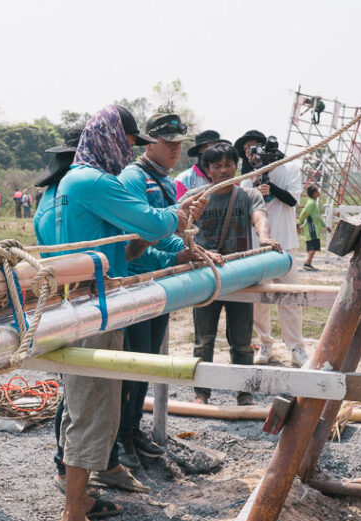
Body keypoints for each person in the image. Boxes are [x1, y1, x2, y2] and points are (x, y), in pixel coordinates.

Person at [45, 104, 205, 521]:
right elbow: (151, 222)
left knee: (86, 407)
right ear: (110, 140)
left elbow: (129, 247)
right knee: (93, 408)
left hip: (83, 303)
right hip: (91, 307)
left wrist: (169, 224)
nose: (128, 153)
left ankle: (81, 498)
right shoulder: (95, 181)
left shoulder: (76, 181)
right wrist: (178, 214)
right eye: (127, 143)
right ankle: (72, 519)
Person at [114, 112, 216, 469]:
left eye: (178, 143)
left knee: (149, 362)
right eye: (167, 142)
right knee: (133, 362)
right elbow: (135, 238)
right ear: (149, 142)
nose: (175, 149)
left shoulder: (166, 183)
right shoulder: (133, 179)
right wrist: (175, 253)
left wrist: (190, 250)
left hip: (157, 284)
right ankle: (120, 435)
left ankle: (132, 430)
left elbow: (166, 234)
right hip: (134, 284)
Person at [189, 141, 281, 404]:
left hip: (240, 277)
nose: (224, 170)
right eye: (217, 165)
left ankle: (244, 392)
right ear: (207, 169)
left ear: (236, 166)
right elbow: (182, 230)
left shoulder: (249, 195)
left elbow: (260, 218)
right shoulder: (195, 198)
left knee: (242, 340)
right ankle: (201, 393)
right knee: (203, 340)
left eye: (228, 164)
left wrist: (264, 237)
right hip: (206, 277)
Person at [238, 131, 307, 368]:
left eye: (254, 148)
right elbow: (244, 209)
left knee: (290, 298)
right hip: (258, 247)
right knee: (260, 300)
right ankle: (265, 342)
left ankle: (296, 347)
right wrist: (255, 190)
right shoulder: (247, 177)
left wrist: (271, 188)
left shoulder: (290, 169)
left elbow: (293, 200)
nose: (252, 153)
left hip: (285, 243)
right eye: (247, 150)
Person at [174, 129, 226, 199]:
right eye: (208, 147)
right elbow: (178, 205)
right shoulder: (183, 180)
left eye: (218, 147)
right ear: (200, 150)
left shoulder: (228, 176)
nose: (215, 151)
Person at [297, 185, 325, 270]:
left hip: (315, 228)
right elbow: (304, 213)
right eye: (317, 191)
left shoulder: (313, 203)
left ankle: (308, 263)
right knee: (313, 246)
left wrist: (324, 225)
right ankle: (307, 263)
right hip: (311, 228)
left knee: (314, 246)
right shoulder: (311, 203)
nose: (319, 193)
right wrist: (299, 223)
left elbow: (318, 216)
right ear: (314, 194)